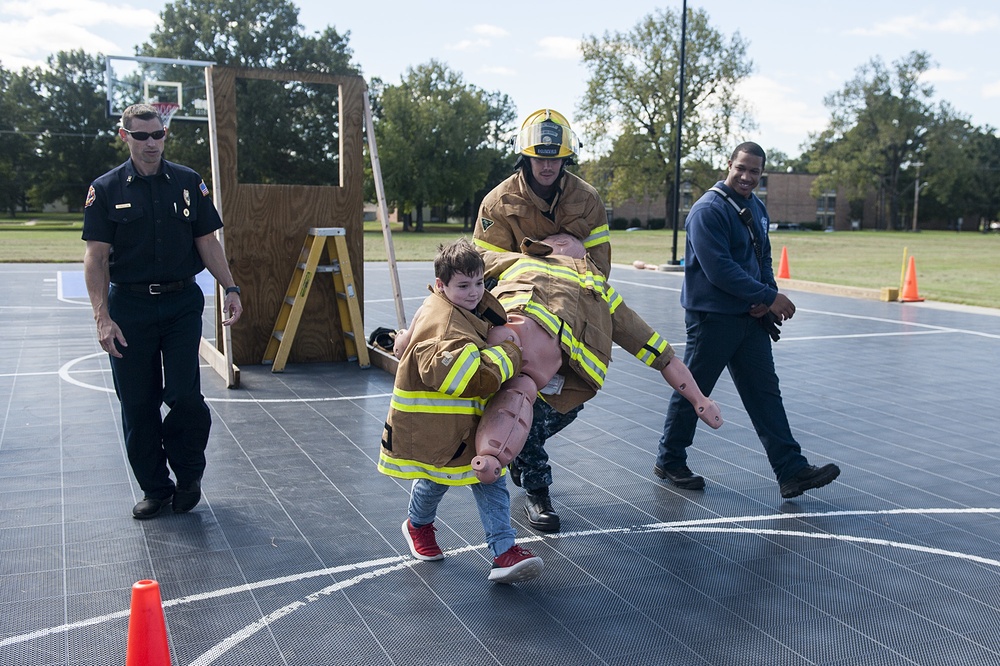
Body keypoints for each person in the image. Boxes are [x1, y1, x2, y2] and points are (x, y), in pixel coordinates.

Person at [82, 103, 243, 519]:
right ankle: (156, 488)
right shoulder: (106, 189)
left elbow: (207, 242)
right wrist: (102, 316)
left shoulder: (188, 183)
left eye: (158, 135)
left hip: (179, 303)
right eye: (141, 136)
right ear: (125, 137)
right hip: (129, 307)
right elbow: (96, 258)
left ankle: (188, 474)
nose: (151, 143)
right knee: (138, 403)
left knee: (184, 395)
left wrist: (230, 287)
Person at [655, 141, 840, 499]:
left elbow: (762, 256)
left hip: (748, 317)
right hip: (713, 319)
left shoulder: (756, 206)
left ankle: (791, 471)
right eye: (741, 168)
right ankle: (670, 459)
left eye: (754, 171)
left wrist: (764, 295)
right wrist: (768, 297)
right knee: (694, 390)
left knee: (765, 393)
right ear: (729, 164)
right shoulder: (707, 210)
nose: (746, 176)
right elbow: (718, 269)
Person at [473, 108, 610, 533]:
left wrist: (579, 256)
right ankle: (538, 490)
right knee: (523, 399)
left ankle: (518, 447)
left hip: (569, 321)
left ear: (566, 159)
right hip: (516, 323)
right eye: (539, 158)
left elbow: (601, 269)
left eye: (555, 158)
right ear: (525, 158)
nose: (548, 166)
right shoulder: (498, 202)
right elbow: (477, 262)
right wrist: (536, 257)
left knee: (569, 399)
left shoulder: (586, 201)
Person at [377, 239, 543, 584]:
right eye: (463, 286)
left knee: (487, 481)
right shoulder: (446, 326)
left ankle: (503, 552)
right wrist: (510, 352)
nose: (474, 292)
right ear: (442, 286)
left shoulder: (457, 307)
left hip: (461, 425)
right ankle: (418, 525)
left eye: (479, 283)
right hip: (437, 428)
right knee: (435, 481)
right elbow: (471, 379)